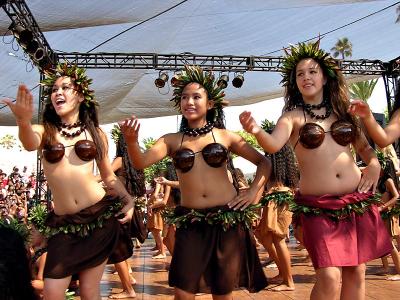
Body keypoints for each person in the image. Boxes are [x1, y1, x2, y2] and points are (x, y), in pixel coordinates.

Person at [239, 40, 392, 300]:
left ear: (324, 77)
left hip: (355, 201)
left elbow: (366, 150)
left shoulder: (345, 113)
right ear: (294, 81)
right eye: (300, 73)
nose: (306, 77)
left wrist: (375, 165)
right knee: (329, 276)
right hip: (318, 207)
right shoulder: (292, 117)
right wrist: (256, 131)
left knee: (356, 271)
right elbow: (274, 144)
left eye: (312, 71)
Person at [121, 65, 270, 299]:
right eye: (184, 97)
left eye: (196, 97)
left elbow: (264, 162)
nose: (189, 102)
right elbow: (140, 162)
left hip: (226, 220)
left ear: (210, 104)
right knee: (183, 291)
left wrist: (252, 193)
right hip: (191, 222)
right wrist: (131, 141)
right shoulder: (171, 140)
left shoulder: (224, 136)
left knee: (222, 292)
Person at [1, 63, 134, 300]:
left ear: (81, 96)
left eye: (65, 87)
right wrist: (23, 120)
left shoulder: (95, 133)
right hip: (64, 225)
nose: (57, 92)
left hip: (98, 219)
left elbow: (108, 176)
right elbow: (29, 142)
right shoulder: (45, 131)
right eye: (54, 89)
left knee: (89, 291)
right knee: (52, 291)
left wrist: (128, 200)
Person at [255, 122, 299, 292]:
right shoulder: (279, 162)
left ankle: (289, 281)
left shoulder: (273, 162)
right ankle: (282, 273)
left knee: (278, 239)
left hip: (280, 200)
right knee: (264, 236)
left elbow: (261, 184)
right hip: (273, 200)